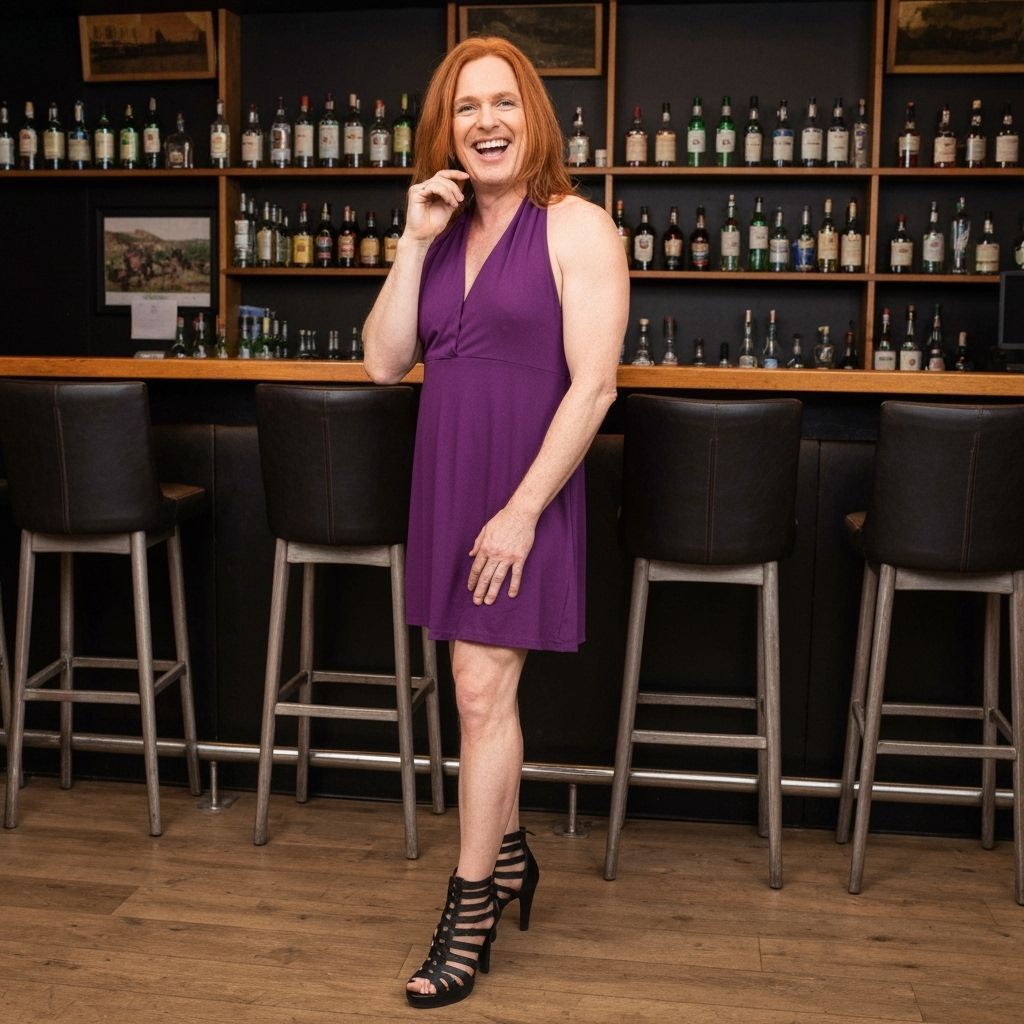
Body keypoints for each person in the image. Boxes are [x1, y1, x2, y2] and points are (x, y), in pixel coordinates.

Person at [363, 35, 628, 1009]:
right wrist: (411, 240)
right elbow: (383, 362)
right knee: (476, 696)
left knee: (478, 694)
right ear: (446, 129)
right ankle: (509, 856)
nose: (486, 122)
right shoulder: (438, 231)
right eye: (466, 107)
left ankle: (468, 909)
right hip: (448, 482)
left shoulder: (578, 228)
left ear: (533, 119)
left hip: (525, 489)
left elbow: (594, 387)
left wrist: (520, 512)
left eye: (504, 103)